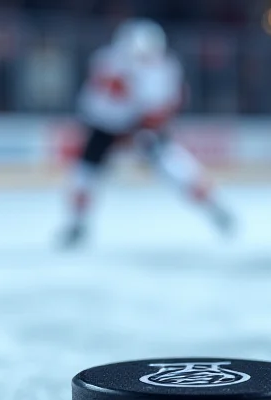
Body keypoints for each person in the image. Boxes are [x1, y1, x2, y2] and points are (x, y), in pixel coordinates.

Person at [59, 19, 234, 247]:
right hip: (105, 126)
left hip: (141, 127)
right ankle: (77, 223)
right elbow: (97, 104)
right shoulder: (108, 62)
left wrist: (145, 126)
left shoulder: (164, 68)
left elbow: (163, 108)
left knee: (176, 166)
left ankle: (215, 208)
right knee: (84, 175)